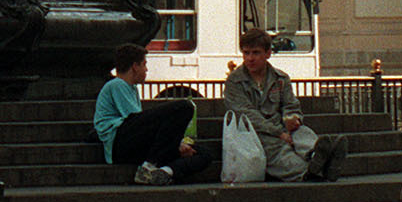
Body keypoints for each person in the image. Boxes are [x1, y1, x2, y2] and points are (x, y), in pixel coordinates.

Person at [224, 30, 346, 181]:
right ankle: (309, 172)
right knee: (276, 149)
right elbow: (247, 113)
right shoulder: (234, 82)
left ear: (268, 53)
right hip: (254, 132)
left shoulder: (281, 78)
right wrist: (278, 132)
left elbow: (291, 104)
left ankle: (316, 155)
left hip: (281, 125)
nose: (250, 58)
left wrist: (292, 119)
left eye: (255, 53)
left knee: (302, 132)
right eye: (246, 53)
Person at [93, 42, 211, 185]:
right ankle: (150, 166)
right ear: (135, 67)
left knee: (204, 153)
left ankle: (165, 172)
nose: (146, 69)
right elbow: (134, 120)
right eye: (144, 64)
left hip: (133, 143)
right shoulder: (117, 85)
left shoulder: (132, 89)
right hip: (120, 143)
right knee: (184, 107)